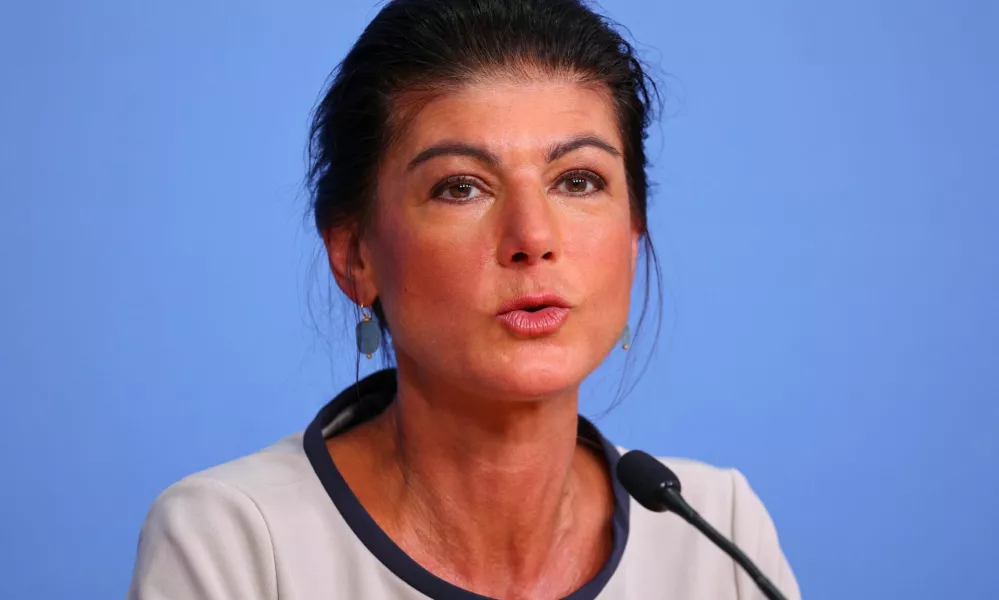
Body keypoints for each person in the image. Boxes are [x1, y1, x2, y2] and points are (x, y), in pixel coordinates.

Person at [127, 0, 801, 598]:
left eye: (577, 180)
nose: (532, 239)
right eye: (461, 187)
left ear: (632, 234)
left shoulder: (715, 529)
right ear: (355, 256)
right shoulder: (235, 542)